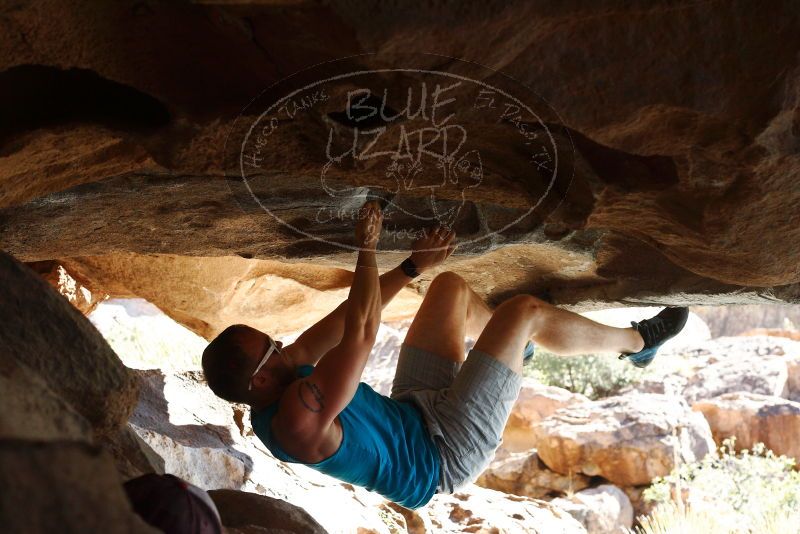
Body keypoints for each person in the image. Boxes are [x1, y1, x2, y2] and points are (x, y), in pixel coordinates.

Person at [201, 200, 688, 510]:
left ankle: (507, 356)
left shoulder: (281, 376)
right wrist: (367, 250)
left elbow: (341, 320)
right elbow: (361, 332)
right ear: (260, 380)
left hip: (414, 409)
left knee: (450, 288)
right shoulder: (296, 420)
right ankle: (640, 344)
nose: (283, 345)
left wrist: (414, 267)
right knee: (523, 313)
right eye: (272, 348)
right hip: (444, 455)